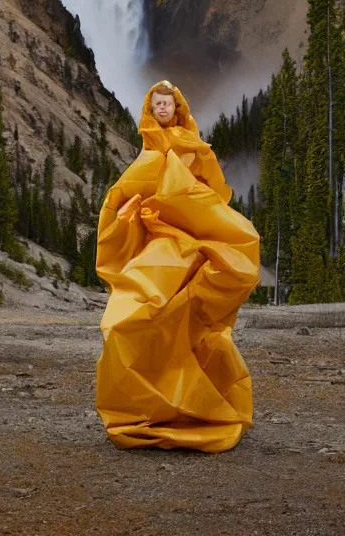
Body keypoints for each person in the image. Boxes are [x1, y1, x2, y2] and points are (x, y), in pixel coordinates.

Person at [95, 80, 260, 453]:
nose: (163, 108)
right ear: (150, 109)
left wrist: (195, 217)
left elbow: (209, 193)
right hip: (160, 244)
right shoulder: (149, 152)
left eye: (168, 103)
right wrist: (127, 216)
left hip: (187, 245)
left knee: (186, 320)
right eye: (158, 104)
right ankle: (150, 405)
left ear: (178, 108)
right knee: (133, 316)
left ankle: (187, 405)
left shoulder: (193, 149)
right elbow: (128, 190)